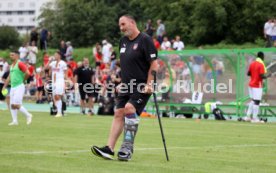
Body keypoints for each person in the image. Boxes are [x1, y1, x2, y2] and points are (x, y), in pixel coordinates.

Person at [91, 14, 158, 161]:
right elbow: (127, 65)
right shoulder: (123, 42)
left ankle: (127, 148)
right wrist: (122, 81)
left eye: (123, 24)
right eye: (120, 25)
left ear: (132, 23)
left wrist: (149, 84)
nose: (121, 28)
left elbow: (154, 64)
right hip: (126, 84)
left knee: (129, 108)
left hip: (142, 84)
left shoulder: (145, 40)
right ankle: (109, 149)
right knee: (118, 113)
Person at [2, 50, 32, 125]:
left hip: (19, 86)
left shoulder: (20, 63)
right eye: (10, 55)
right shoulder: (12, 65)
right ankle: (15, 121)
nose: (11, 56)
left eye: (12, 55)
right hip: (13, 87)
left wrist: (23, 80)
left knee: (15, 104)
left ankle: (28, 115)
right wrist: (4, 86)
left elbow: (28, 73)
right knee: (12, 105)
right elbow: (9, 77)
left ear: (17, 56)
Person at [244, 52, 271, 123]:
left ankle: (247, 117)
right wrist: (268, 76)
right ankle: (255, 118)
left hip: (251, 84)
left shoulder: (252, 63)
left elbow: (248, 73)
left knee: (253, 101)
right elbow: (262, 76)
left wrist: (254, 74)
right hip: (257, 85)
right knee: (257, 101)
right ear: (262, 57)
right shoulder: (261, 64)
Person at [47, 51, 68, 117]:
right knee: (54, 98)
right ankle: (59, 111)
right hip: (53, 81)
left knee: (57, 96)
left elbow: (66, 73)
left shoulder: (63, 63)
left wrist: (66, 82)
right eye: (54, 55)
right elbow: (46, 68)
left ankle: (59, 112)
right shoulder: (53, 63)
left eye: (56, 55)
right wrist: (49, 61)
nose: (54, 56)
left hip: (60, 81)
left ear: (59, 56)